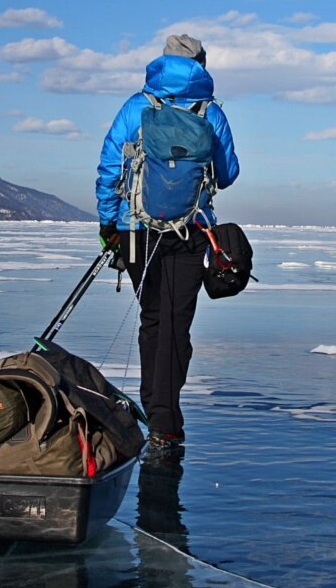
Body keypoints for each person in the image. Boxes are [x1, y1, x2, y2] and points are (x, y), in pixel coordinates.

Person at [95, 34, 239, 457]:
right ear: (201, 63)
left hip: (136, 232)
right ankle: (166, 422)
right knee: (176, 325)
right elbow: (227, 173)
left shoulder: (134, 107)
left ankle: (152, 408)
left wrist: (110, 224)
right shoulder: (209, 110)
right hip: (191, 233)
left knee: (152, 317)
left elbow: (108, 167)